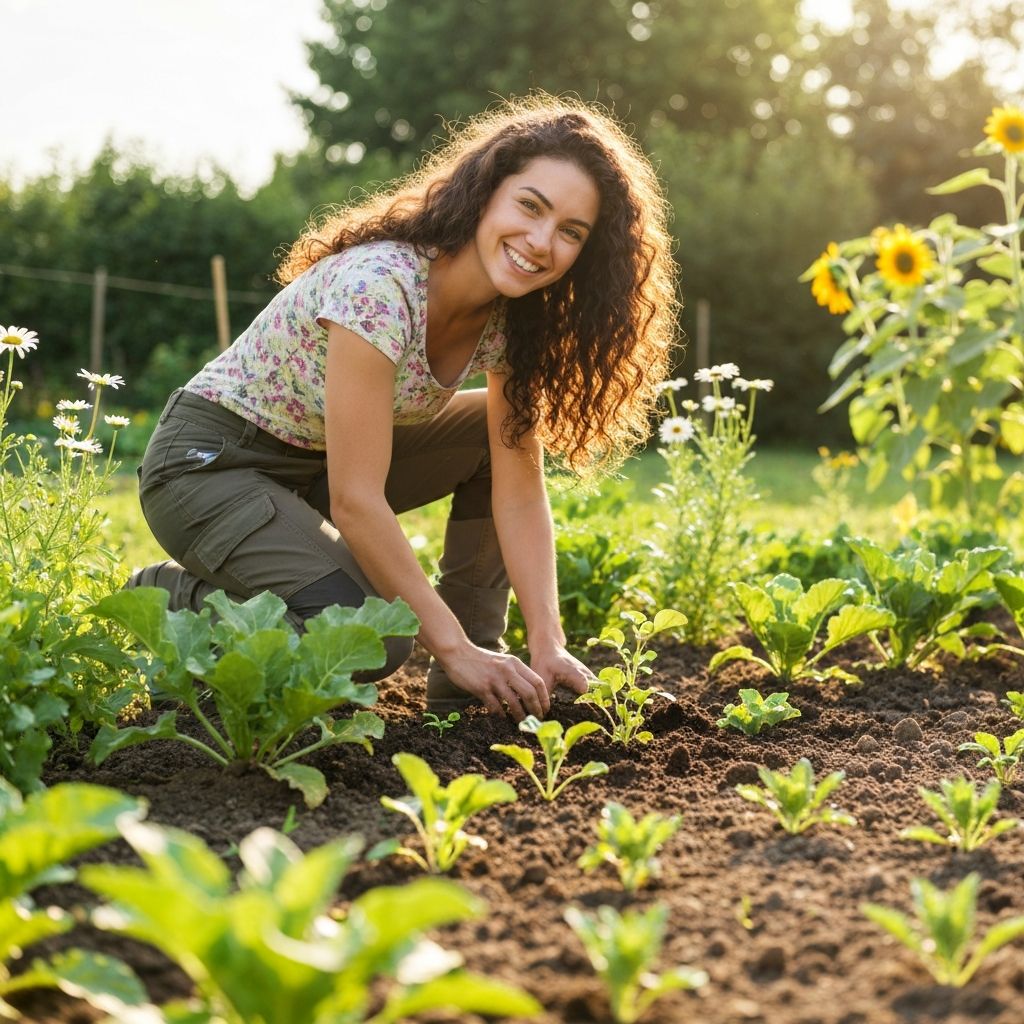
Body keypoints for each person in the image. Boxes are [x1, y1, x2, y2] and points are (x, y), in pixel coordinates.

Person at [128, 94, 678, 722]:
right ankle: (169, 600)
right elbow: (357, 500)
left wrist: (547, 640)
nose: (541, 241)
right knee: (372, 638)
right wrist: (441, 638)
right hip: (208, 467)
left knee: (486, 439)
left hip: (311, 469)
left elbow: (521, 493)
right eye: (531, 206)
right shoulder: (380, 285)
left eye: (570, 232)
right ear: (487, 192)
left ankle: (473, 678)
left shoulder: (512, 322)